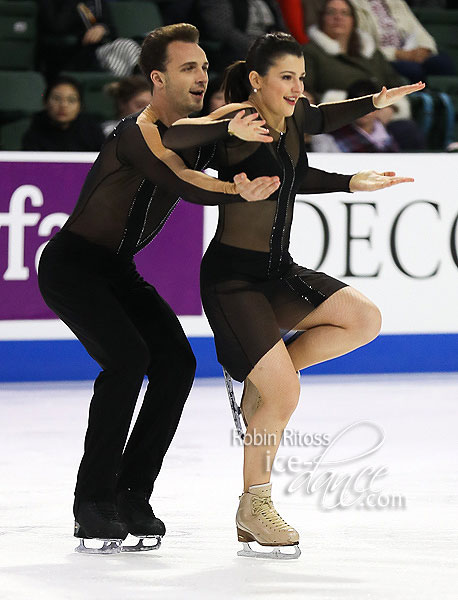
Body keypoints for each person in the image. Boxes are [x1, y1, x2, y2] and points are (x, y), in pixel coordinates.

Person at [163, 32, 423, 557]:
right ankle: (254, 504)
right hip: (232, 279)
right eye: (287, 77)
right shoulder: (239, 122)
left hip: (279, 273)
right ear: (257, 80)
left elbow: (311, 147)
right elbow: (171, 139)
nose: (298, 87)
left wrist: (363, 143)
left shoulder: (296, 119)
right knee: (285, 395)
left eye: (302, 77)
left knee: (362, 318)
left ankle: (266, 378)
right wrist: (222, 123)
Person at [37, 23, 280, 555]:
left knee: (175, 362)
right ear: (158, 77)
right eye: (188, 68)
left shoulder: (203, 127)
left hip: (117, 269)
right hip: (73, 267)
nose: (201, 76)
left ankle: (131, 496)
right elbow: (180, 180)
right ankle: (93, 502)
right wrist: (234, 189)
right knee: (126, 361)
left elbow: (237, 128)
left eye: (204, 66)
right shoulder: (135, 132)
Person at [302, 0, 412, 119]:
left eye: (344, 13)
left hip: (382, 118)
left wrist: (392, 108)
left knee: (406, 130)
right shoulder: (310, 52)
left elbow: (395, 85)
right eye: (331, 12)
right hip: (338, 120)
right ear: (322, 19)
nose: (338, 17)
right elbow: (307, 93)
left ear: (353, 20)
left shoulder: (371, 51)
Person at [351, 0, 455, 82]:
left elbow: (417, 29)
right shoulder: (352, 5)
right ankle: (420, 105)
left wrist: (424, 49)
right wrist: (396, 54)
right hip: (383, 58)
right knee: (412, 70)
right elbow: (362, 46)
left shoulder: (397, 2)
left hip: (410, 51)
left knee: (443, 63)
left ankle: (444, 104)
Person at [312, 79, 426, 151]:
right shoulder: (332, 136)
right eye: (359, 107)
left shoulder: (387, 134)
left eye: (369, 107)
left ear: (378, 108)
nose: (364, 112)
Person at [22, 76, 105, 152]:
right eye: (56, 98)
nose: (63, 105)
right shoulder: (34, 129)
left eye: (71, 100)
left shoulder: (91, 130)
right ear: (45, 102)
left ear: (80, 106)